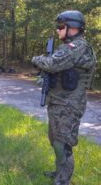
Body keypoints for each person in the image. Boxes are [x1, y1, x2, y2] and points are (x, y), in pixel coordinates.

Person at [32, 10, 96, 185]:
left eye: (61, 27)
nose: (58, 31)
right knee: (55, 140)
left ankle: (63, 180)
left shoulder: (76, 47)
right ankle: (60, 173)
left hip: (69, 105)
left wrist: (36, 58)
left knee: (63, 143)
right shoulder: (71, 47)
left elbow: (51, 63)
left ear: (73, 28)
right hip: (60, 102)